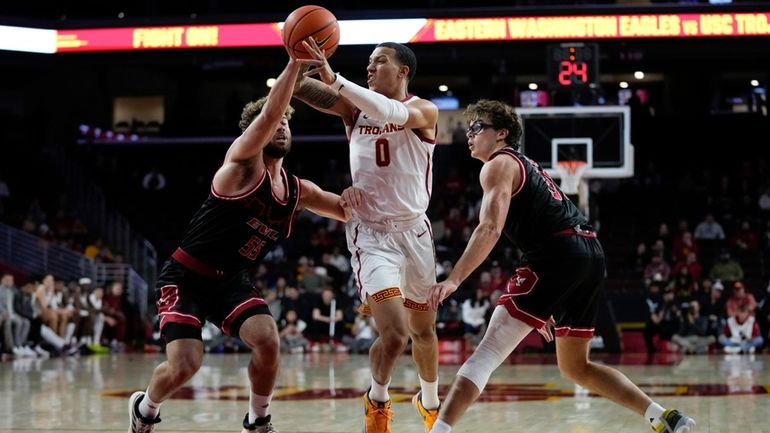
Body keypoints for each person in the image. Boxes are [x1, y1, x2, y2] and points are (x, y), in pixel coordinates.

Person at [426, 99, 696, 433]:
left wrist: (454, 279)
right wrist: (550, 295)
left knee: (487, 352)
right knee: (575, 367)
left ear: (502, 134)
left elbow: (489, 228)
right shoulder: (527, 166)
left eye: (477, 127)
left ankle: (439, 430)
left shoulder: (498, 164)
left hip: (557, 253)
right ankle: (663, 416)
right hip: (589, 254)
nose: (469, 134)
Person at [127, 54, 355, 433]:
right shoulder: (241, 165)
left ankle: (258, 419)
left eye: (286, 122)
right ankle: (145, 408)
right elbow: (267, 115)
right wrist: (295, 64)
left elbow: (348, 212)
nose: (280, 126)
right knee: (186, 364)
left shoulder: (299, 190)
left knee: (268, 340)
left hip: (231, 280)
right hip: (186, 276)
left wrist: (367, 199)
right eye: (274, 121)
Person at [294, 38, 441, 433]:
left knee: (423, 331)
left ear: (403, 70)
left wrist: (334, 77)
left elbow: (389, 110)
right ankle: (377, 399)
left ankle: (430, 402)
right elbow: (305, 91)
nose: (371, 68)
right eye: (369, 63)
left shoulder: (423, 110)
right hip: (371, 234)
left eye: (380, 62)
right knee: (394, 335)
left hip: (415, 233)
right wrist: (295, 66)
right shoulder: (354, 109)